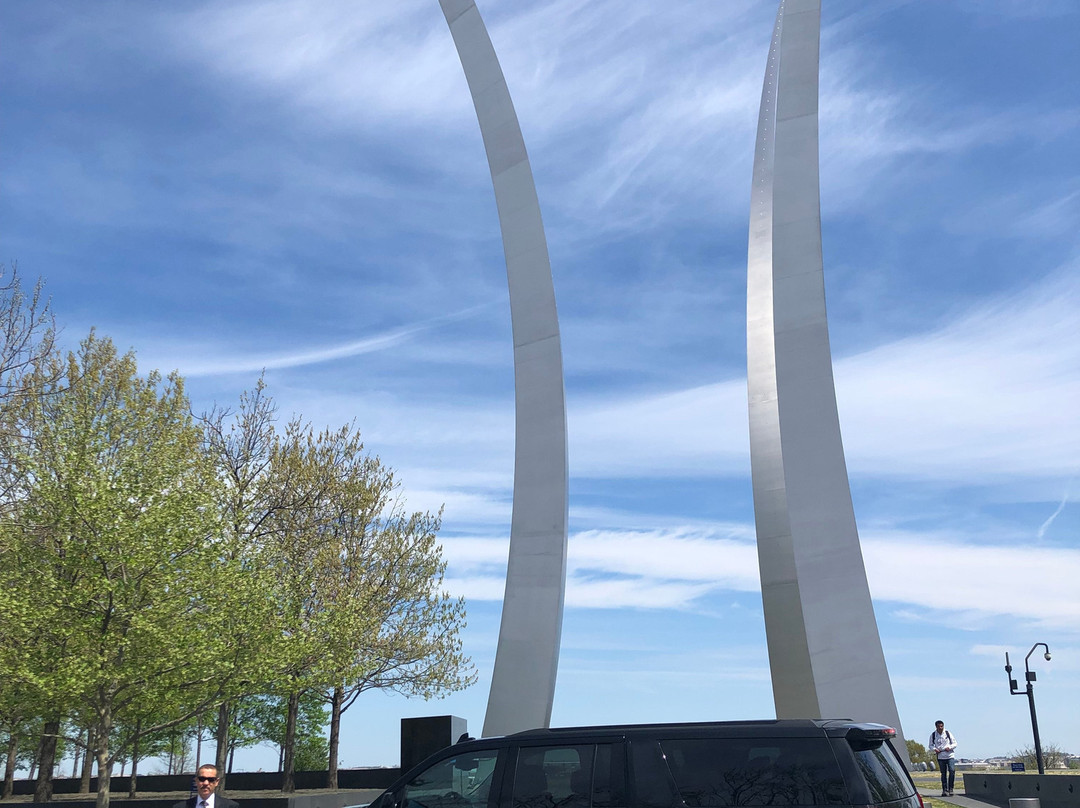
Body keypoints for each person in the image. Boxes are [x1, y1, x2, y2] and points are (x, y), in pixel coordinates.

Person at [173, 764, 239, 808]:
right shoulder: (180, 806)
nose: (206, 783)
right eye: (202, 779)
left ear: (216, 782)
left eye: (211, 779)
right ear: (196, 780)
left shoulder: (230, 806)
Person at [929, 720, 958, 796]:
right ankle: (944, 790)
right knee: (943, 773)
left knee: (952, 771)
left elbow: (955, 743)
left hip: (949, 756)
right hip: (941, 757)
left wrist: (950, 747)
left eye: (941, 726)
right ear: (936, 727)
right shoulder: (933, 735)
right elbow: (930, 745)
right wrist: (935, 749)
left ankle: (951, 788)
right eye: (939, 726)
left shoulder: (948, 733)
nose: (940, 728)